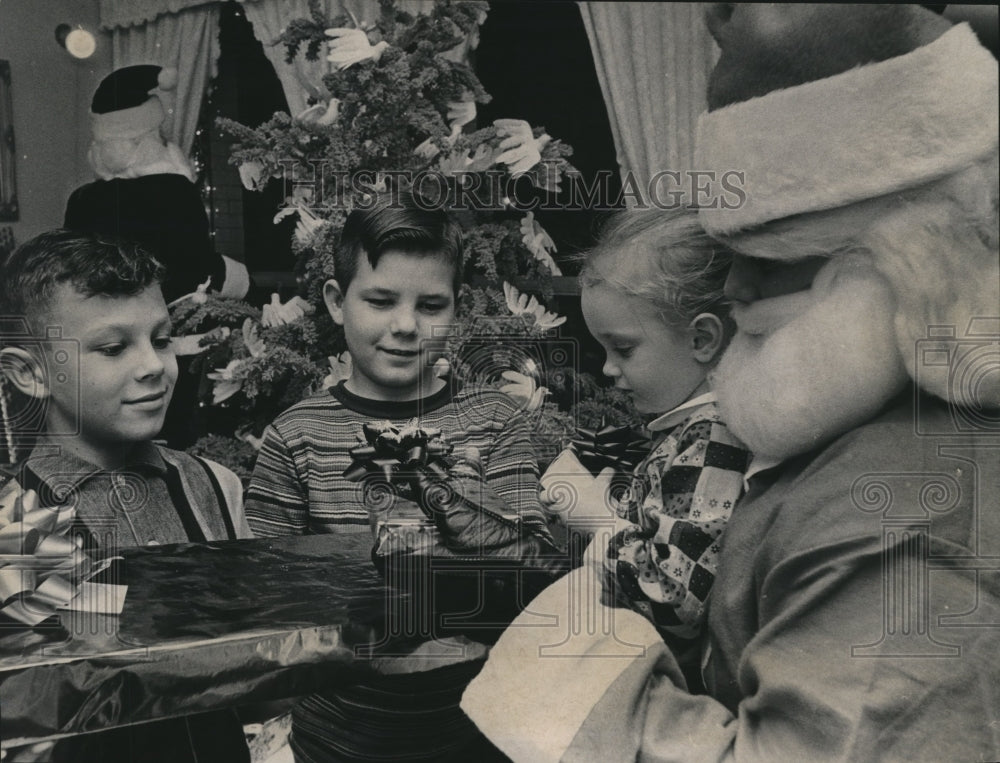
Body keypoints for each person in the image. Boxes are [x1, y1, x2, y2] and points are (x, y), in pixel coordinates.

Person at [462, 5, 999, 761]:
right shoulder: (865, 413)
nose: (734, 291)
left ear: (904, 254)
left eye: (771, 256)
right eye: (727, 250)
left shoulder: (905, 510)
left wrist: (574, 683)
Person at [245, 189, 554, 762]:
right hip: (337, 739)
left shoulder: (495, 421)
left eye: (431, 305)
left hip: (478, 730)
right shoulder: (295, 437)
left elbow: (526, 579)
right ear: (337, 301)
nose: (406, 325)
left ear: (456, 306)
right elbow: (272, 605)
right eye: (381, 300)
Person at [0, 229, 252, 762]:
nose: (153, 366)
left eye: (160, 339)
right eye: (113, 348)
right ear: (29, 372)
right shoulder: (21, 522)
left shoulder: (212, 485)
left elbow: (252, 667)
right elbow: (45, 715)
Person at [542, 208, 749, 683]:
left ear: (701, 338)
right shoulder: (688, 430)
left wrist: (598, 519)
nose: (608, 370)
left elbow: (674, 598)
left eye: (624, 349)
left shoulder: (715, 435)